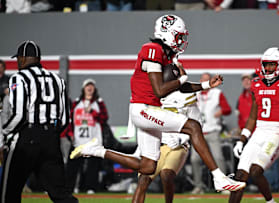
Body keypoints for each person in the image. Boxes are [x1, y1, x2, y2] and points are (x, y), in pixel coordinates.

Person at [70, 14, 245, 193]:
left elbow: (180, 87)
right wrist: (180, 79)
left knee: (147, 166)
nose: (181, 40)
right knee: (193, 126)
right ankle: (218, 177)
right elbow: (160, 90)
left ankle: (96, 150)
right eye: (179, 36)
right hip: (143, 109)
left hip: (148, 110)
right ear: (166, 33)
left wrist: (206, 85)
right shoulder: (151, 49)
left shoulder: (166, 55)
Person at [0, 40, 78, 203]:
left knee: (9, 192)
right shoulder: (57, 79)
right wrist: (50, 133)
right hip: (51, 138)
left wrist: (5, 131)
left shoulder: (19, 77)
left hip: (26, 138)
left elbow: (20, 114)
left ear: (22, 58)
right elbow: (64, 118)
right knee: (60, 194)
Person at [230, 47, 279, 203]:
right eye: (266, 64)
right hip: (259, 131)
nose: (268, 68)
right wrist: (242, 139)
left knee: (255, 171)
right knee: (240, 175)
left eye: (272, 64)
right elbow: (252, 117)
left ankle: (270, 202)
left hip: (277, 132)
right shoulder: (257, 84)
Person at [133, 86, 200, 203]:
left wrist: (181, 138)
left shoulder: (186, 96)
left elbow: (197, 123)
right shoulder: (152, 96)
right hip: (156, 144)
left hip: (177, 146)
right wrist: (141, 147)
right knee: (143, 180)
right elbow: (145, 123)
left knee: (166, 175)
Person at [190, 72, 231, 194]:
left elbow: (227, 109)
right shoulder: (195, 93)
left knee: (218, 157)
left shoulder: (217, 93)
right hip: (198, 132)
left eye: (207, 80)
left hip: (213, 131)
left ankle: (224, 185)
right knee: (194, 159)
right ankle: (198, 186)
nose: (206, 83)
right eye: (203, 80)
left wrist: (221, 112)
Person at [66, 78, 109, 194]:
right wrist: (69, 133)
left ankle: (90, 187)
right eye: (87, 86)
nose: (89, 88)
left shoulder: (98, 103)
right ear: (83, 89)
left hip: (93, 140)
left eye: (92, 86)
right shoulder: (76, 103)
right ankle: (71, 187)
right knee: (73, 165)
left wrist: (92, 112)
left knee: (93, 166)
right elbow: (70, 120)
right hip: (78, 141)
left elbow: (104, 119)